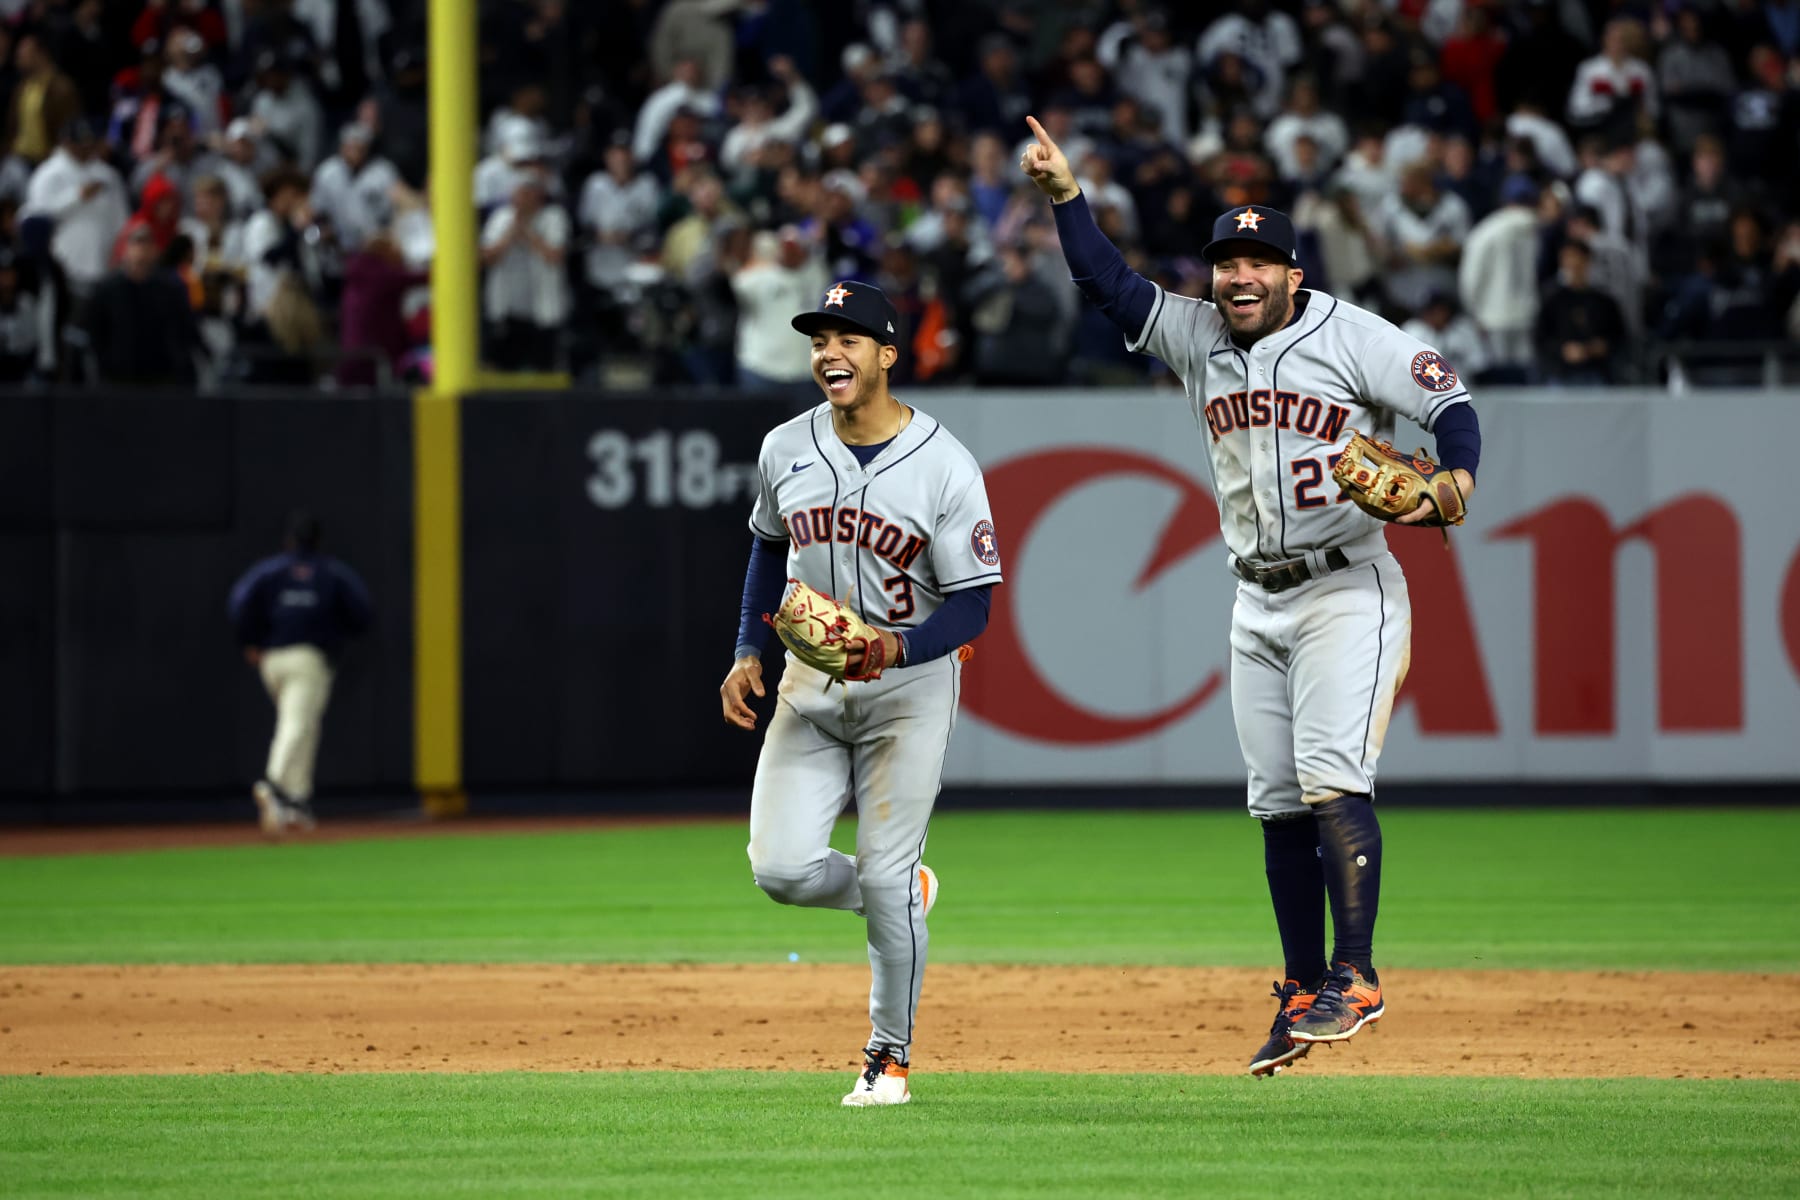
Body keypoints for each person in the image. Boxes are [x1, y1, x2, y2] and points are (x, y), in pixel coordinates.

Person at [1019, 115, 1482, 1076]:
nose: (1238, 276)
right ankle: (1304, 989)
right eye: (1227, 261)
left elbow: (1450, 405)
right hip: (1255, 601)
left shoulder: (1352, 337)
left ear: (1292, 276)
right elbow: (1110, 289)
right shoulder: (1196, 335)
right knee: (1275, 805)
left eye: (1258, 262)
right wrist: (1068, 198)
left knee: (1328, 781)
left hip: (1349, 589)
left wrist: (1457, 481)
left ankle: (1355, 975)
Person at [719, 281, 1003, 1106]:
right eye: (818, 341)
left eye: (847, 339)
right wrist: (744, 648)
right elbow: (767, 552)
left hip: (909, 690)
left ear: (886, 355)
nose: (828, 353)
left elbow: (977, 599)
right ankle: (901, 894)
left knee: (883, 878)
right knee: (780, 870)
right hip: (809, 685)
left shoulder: (945, 465)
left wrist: (900, 646)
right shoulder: (786, 446)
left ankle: (889, 1056)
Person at [227, 512, 374, 836]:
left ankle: (296, 801)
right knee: (296, 723)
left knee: (304, 724)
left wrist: (250, 640)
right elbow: (362, 610)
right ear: (319, 542)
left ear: (288, 541)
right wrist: (338, 635)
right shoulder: (331, 572)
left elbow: (238, 603)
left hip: (273, 660)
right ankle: (274, 784)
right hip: (308, 658)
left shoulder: (269, 571)